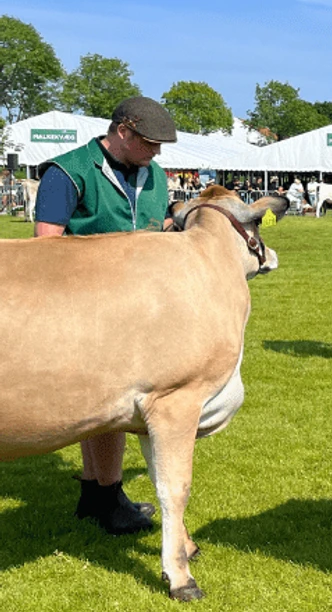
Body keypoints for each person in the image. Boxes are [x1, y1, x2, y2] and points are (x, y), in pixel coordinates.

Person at [31, 96, 178, 535]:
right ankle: (110, 500)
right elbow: (45, 248)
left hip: (139, 310)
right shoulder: (68, 172)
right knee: (114, 407)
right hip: (83, 310)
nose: (157, 153)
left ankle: (95, 494)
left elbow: (160, 227)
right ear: (122, 132)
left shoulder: (154, 175)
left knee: (103, 407)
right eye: (150, 143)